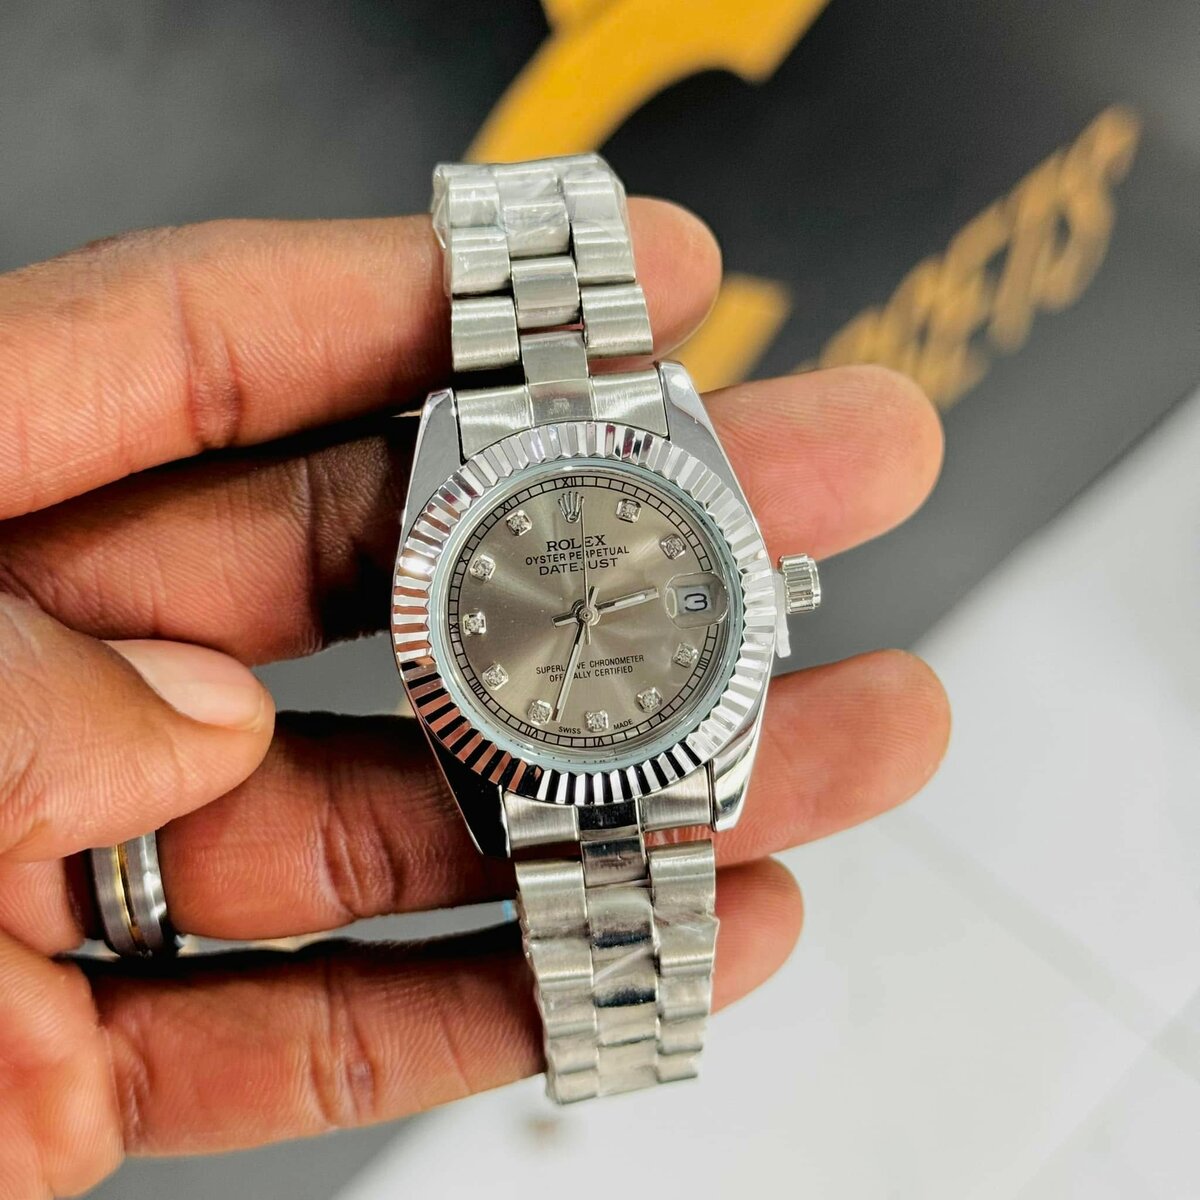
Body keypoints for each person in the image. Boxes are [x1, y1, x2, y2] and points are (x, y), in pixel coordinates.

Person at [0, 199, 949, 1198]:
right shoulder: (494, 479)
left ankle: (629, 1035)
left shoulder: (639, 457)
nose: (583, 614)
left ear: (765, 594)